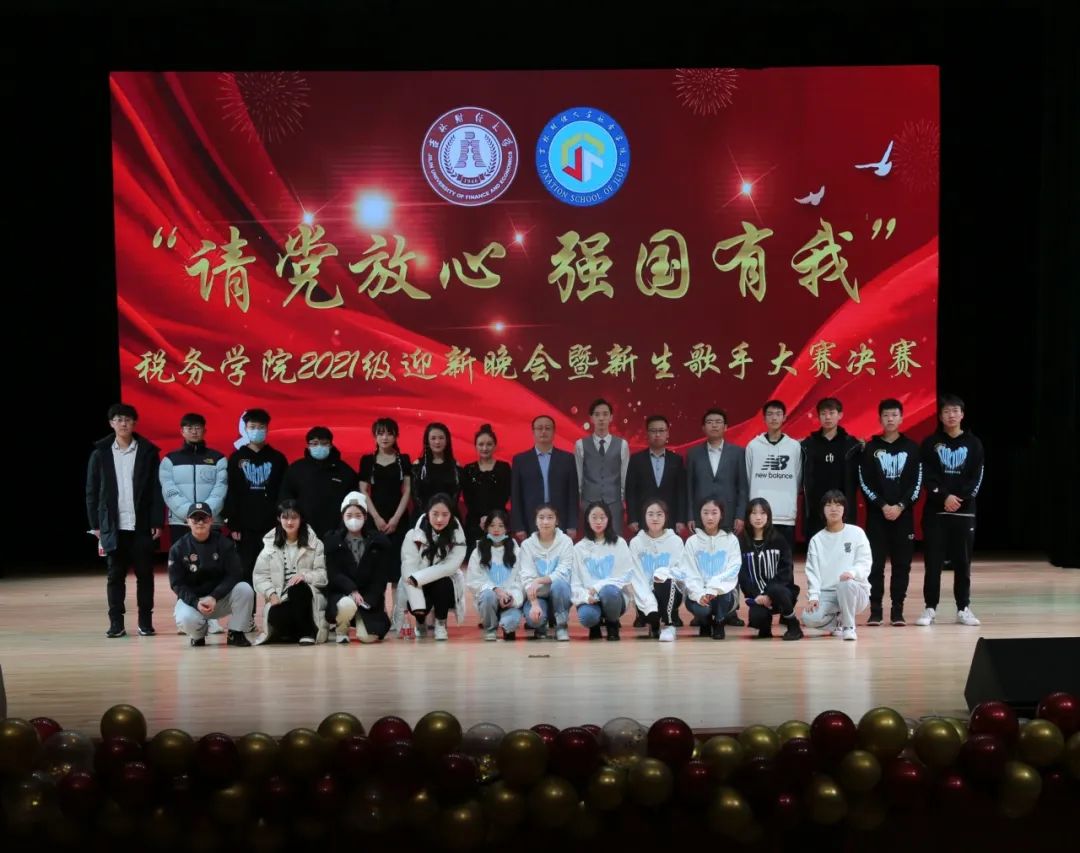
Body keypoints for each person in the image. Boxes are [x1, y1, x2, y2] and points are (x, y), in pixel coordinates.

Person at [85, 403, 164, 638]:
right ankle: (116, 623)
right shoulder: (100, 453)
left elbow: (156, 490)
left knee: (145, 575)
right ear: (111, 423)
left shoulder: (148, 452)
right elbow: (92, 490)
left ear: (134, 423)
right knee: (115, 576)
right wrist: (95, 525)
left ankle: (145, 622)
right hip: (113, 525)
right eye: (119, 419)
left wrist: (157, 521)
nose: (123, 423)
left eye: (128, 420)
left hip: (141, 525)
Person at [915, 394, 985, 627]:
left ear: (962, 415)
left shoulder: (974, 444)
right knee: (933, 563)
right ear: (940, 416)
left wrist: (959, 499)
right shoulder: (930, 443)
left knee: (962, 563)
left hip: (964, 512)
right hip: (936, 512)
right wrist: (944, 496)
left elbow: (976, 477)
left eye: (955, 411)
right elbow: (927, 475)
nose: (951, 415)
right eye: (947, 411)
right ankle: (930, 608)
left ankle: (963, 608)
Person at [858, 398, 923, 626]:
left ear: (902, 418)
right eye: (886, 415)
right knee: (875, 565)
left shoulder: (912, 448)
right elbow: (864, 482)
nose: (890, 419)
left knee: (901, 565)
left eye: (894, 415)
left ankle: (897, 610)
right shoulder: (870, 448)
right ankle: (875, 610)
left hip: (903, 516)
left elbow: (917, 483)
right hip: (877, 516)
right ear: (880, 419)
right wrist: (883, 505)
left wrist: (901, 506)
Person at [686, 408, 748, 627]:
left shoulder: (737, 453)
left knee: (729, 562)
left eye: (718, 421)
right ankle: (701, 608)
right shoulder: (694, 454)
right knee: (702, 562)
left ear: (726, 427)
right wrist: (691, 515)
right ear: (703, 427)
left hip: (729, 516)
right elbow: (689, 487)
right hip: (702, 516)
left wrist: (740, 514)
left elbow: (742, 487)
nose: (714, 425)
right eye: (710, 422)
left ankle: (731, 610)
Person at [225, 408, 287, 614]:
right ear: (245, 429)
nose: (257, 431)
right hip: (245, 526)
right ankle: (247, 616)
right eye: (252, 427)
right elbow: (231, 492)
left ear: (267, 429)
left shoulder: (278, 458)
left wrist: (282, 521)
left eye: (261, 427)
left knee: (275, 571)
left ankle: (275, 615)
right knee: (246, 571)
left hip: (272, 525)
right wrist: (233, 523)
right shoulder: (236, 458)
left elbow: (284, 492)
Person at [169, 502, 253, 647]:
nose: (200, 522)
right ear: (187, 521)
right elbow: (177, 584)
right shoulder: (178, 548)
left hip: (219, 599)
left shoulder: (224, 544)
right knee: (185, 618)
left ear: (211, 520)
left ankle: (236, 632)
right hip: (195, 601)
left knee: (245, 589)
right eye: (195, 518)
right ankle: (198, 635)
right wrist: (195, 602)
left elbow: (235, 574)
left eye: (204, 518)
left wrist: (214, 596)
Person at [572, 502, 658, 641]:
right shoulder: (578, 548)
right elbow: (575, 582)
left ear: (609, 519)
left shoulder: (619, 543)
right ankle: (594, 626)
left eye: (602, 517)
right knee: (587, 616)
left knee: (609, 591)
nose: (598, 521)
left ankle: (612, 624)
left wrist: (598, 586)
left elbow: (626, 576)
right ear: (587, 519)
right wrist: (586, 597)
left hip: (614, 597)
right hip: (590, 598)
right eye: (594, 517)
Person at [358, 418, 412, 633]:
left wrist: (395, 519)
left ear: (396, 436)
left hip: (399, 520)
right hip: (375, 521)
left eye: (389, 433)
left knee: (398, 569)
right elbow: (364, 491)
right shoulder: (367, 461)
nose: (385, 437)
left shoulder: (403, 460)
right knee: (377, 569)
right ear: (375, 436)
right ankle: (378, 614)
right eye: (380, 433)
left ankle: (398, 615)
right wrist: (377, 518)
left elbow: (407, 491)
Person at [252, 500, 329, 644]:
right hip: (282, 599)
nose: (289, 522)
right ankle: (296, 633)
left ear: (301, 519)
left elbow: (323, 575)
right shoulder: (269, 545)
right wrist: (271, 594)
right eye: (285, 517)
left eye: (294, 517)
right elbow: (260, 576)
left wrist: (305, 576)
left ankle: (307, 633)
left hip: (307, 597)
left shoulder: (315, 543)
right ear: (279, 519)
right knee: (275, 614)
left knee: (297, 588)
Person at [323, 492, 395, 644]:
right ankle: (342, 628)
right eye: (349, 515)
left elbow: (380, 577)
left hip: (368, 598)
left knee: (367, 637)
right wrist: (352, 590)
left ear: (365, 517)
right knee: (346, 604)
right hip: (343, 594)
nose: (353, 519)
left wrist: (368, 600)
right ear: (342, 516)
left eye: (358, 515)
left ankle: (363, 619)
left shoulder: (378, 543)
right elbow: (333, 573)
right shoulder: (333, 540)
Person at [800, 491, 872, 641]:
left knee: (845, 584)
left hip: (854, 589)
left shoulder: (856, 533)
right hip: (828, 594)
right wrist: (814, 596)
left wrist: (852, 573)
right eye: (829, 505)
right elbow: (813, 571)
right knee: (808, 617)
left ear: (844, 509)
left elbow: (865, 562)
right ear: (823, 510)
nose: (833, 509)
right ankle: (838, 622)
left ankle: (849, 627)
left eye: (838, 505)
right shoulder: (817, 540)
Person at [400, 493, 468, 641]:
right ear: (427, 513)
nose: (439, 519)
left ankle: (441, 624)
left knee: (442, 583)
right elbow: (409, 567)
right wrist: (418, 606)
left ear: (451, 515)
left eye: (445, 514)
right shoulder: (412, 535)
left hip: (442, 581)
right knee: (413, 591)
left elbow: (448, 567)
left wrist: (418, 578)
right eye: (435, 514)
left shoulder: (457, 538)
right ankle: (420, 621)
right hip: (416, 582)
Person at [159, 413, 228, 547]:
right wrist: (189, 513)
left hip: (210, 521)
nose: (194, 432)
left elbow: (221, 490)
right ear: (182, 431)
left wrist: (205, 513)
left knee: (212, 559)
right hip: (181, 522)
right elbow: (168, 489)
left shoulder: (218, 458)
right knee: (181, 558)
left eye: (197, 428)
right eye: (189, 428)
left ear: (204, 431)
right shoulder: (170, 460)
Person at [738, 498, 802, 640]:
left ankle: (793, 625)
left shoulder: (779, 540)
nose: (758, 517)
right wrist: (757, 595)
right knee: (757, 618)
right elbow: (742, 576)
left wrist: (769, 593)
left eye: (762, 513)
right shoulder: (742, 543)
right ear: (748, 516)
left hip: (781, 593)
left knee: (776, 590)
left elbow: (786, 570)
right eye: (754, 513)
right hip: (758, 596)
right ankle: (765, 627)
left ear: (769, 516)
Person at [279, 426, 358, 538]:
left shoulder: (345, 471)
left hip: (337, 533)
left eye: (324, 443)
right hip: (303, 531)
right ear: (308, 446)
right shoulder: (296, 469)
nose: (319, 447)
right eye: (315, 443)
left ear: (331, 445)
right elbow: (285, 496)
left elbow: (354, 499)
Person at [801, 398, 862, 541]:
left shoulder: (853, 445)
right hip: (816, 511)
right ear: (818, 416)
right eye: (823, 413)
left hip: (843, 510)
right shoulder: (807, 445)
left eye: (832, 413)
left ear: (840, 415)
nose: (827, 417)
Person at [745, 400, 802, 549]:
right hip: (759, 516)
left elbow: (797, 478)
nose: (774, 418)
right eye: (770, 414)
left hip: (785, 515)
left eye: (778, 414)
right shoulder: (753, 446)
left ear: (784, 417)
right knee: (759, 559)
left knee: (785, 559)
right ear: (764, 418)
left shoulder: (794, 446)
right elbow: (748, 478)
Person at [510, 415, 579, 541]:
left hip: (561, 519)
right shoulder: (520, 460)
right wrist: (519, 526)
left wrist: (572, 524)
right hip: (530, 520)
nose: (543, 431)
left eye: (547, 428)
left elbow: (573, 494)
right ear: (533, 432)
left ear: (554, 432)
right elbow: (516, 495)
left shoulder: (567, 459)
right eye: (539, 428)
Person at [683, 498, 742, 639]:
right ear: (700, 514)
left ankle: (719, 622)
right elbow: (689, 573)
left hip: (723, 593)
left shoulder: (731, 539)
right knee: (702, 609)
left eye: (714, 513)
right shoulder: (692, 542)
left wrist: (714, 588)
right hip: (700, 593)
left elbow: (733, 569)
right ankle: (705, 622)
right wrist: (700, 594)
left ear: (721, 515)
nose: (710, 517)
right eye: (705, 513)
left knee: (724, 594)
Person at [628, 500, 686, 641]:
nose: (655, 518)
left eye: (659, 514)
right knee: (650, 612)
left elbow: (680, 572)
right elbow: (637, 577)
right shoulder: (636, 543)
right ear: (644, 517)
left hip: (670, 592)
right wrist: (650, 604)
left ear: (666, 517)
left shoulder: (675, 541)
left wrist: (662, 575)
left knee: (664, 581)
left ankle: (669, 625)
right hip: (644, 595)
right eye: (651, 514)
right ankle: (654, 625)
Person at [518, 504, 576, 641]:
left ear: (556, 521)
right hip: (537, 595)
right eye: (541, 517)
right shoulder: (527, 545)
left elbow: (564, 571)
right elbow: (526, 577)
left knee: (560, 584)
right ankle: (540, 626)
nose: (545, 522)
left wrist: (540, 580)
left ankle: (561, 626)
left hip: (559, 593)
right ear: (535, 521)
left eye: (550, 517)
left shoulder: (566, 541)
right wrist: (534, 604)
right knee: (535, 620)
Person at [625, 415, 687, 537]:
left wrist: (681, 519)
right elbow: (631, 491)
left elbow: (681, 492)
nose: (657, 434)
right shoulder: (636, 460)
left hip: (670, 519)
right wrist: (632, 518)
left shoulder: (676, 460)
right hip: (643, 519)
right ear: (647, 434)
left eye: (661, 431)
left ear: (667, 434)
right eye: (653, 431)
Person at [465, 510, 523, 641]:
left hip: (510, 599)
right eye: (492, 525)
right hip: (489, 599)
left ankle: (507, 625)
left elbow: (521, 580)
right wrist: (495, 590)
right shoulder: (478, 551)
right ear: (486, 528)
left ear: (507, 529)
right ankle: (490, 628)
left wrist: (511, 597)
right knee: (487, 595)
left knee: (510, 625)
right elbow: (473, 581)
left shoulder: (516, 551)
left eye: (501, 526)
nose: (496, 529)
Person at [574, 399, 630, 534]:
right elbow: (579, 477)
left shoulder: (622, 445)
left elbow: (625, 477)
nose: (601, 418)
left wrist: (622, 502)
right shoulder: (580, 444)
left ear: (611, 417)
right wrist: (580, 503)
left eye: (605, 414)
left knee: (615, 541)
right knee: (590, 542)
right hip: (588, 504)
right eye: (597, 414)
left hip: (614, 505)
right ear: (591, 418)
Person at [461, 424, 512, 556]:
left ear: (495, 446)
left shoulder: (504, 468)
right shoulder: (468, 469)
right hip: (474, 523)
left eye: (489, 444)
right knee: (476, 560)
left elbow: (505, 495)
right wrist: (482, 518)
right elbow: (468, 498)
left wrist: (491, 519)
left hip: (499, 522)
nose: (485, 448)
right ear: (475, 446)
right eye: (481, 444)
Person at [411, 422, 463, 513]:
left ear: (447, 440)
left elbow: (455, 497)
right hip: (422, 515)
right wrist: (429, 515)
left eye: (441, 438)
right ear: (427, 441)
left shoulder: (456, 467)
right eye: (433, 438)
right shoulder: (418, 466)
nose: (437, 442)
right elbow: (415, 495)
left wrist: (445, 515)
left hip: (449, 515)